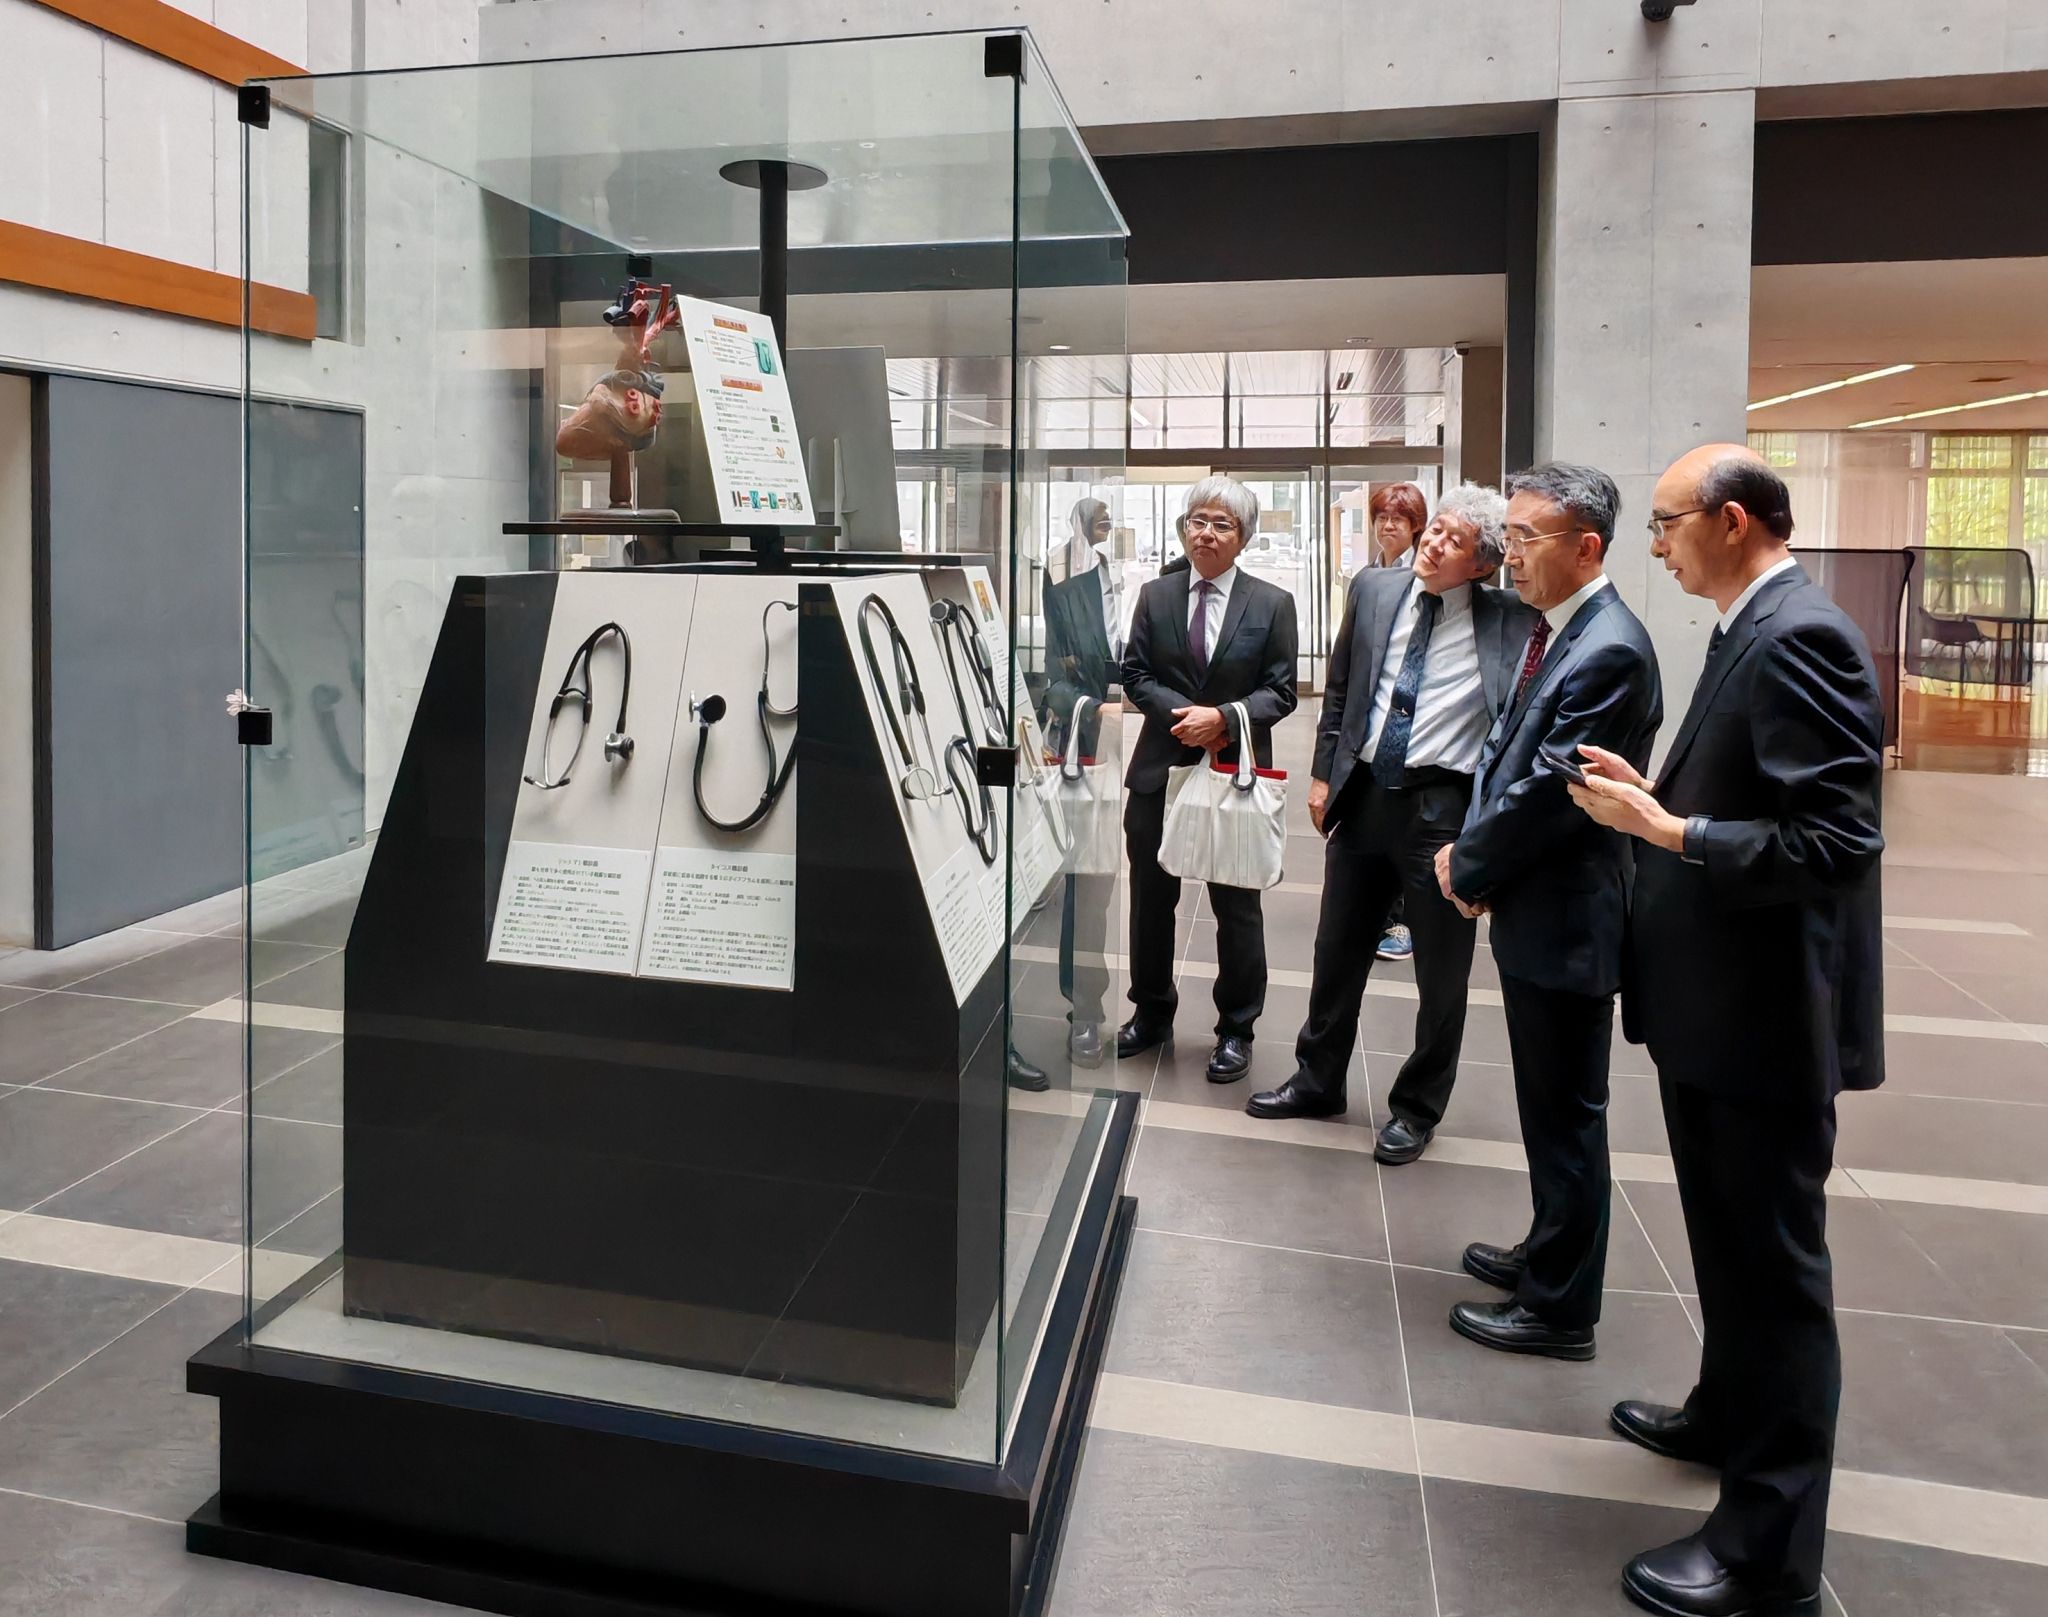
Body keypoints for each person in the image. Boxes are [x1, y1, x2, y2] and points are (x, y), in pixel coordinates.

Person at [1568, 445, 1884, 1617]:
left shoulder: (1800, 635)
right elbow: (1749, 791)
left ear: (1733, 520)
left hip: (1762, 1022)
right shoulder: (1749, 624)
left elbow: (1834, 843)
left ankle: (1765, 1554)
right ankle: (1725, 1413)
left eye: (1664, 523)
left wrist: (1669, 834)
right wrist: (1654, 797)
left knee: (1772, 1276)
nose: (1653, 545)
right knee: (1728, 1250)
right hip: (1717, 1011)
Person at [1432, 463, 1662, 1361]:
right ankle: (1548, 1248)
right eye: (1511, 537)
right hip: (1538, 904)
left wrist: (1469, 861)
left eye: (1527, 539)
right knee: (1546, 1104)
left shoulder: (1610, 648)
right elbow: (1507, 753)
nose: (1511, 554)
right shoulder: (1563, 629)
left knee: (1567, 1116)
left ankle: (1562, 1309)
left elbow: (1548, 792)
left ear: (1587, 547)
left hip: (1568, 917)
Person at [1245, 484, 1533, 1167]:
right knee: (1336, 949)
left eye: (1454, 541)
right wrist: (1323, 773)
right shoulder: (1374, 589)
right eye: (1437, 529)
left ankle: (1417, 1108)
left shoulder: (1512, 620)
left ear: (1482, 565)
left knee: (1441, 973)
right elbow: (1342, 687)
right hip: (1366, 793)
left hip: (1443, 809)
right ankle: (1318, 1079)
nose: (1433, 543)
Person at [1117, 477, 1298, 1081]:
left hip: (1233, 771)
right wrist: (1186, 718)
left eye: (1222, 524)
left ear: (1243, 537)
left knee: (1236, 905)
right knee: (1150, 900)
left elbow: (1281, 691)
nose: (1206, 533)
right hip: (1158, 770)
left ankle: (1236, 1029)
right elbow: (1135, 673)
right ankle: (1150, 1012)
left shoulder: (1271, 603)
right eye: (1197, 521)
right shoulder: (1156, 595)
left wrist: (1223, 718)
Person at [1042, 498, 1124, 1068]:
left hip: (1163, 749)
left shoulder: (1172, 587)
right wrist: (1092, 708)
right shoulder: (1065, 587)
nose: (1107, 527)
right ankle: (1087, 1009)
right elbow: (1051, 677)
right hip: (1095, 746)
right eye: (1098, 518)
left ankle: (1154, 1009)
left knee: (1155, 893)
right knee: (1090, 882)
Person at [1365, 482, 1431, 964]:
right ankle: (1379, 911)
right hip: (1373, 718)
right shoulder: (1371, 575)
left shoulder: (1422, 577)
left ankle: (1400, 919)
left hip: (1411, 718)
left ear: (1415, 527)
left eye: (1399, 519)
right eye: (1382, 518)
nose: (1388, 526)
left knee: (1406, 827)